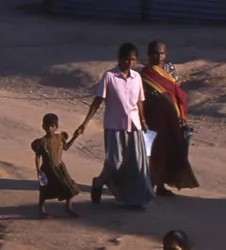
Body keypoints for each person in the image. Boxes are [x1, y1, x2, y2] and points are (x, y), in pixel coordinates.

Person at [74, 42, 154, 208]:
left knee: (136, 163)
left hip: (134, 126)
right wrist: (84, 123)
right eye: (126, 59)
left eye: (133, 60)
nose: (129, 63)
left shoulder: (137, 77)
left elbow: (139, 101)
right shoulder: (109, 76)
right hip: (114, 126)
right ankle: (99, 182)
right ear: (119, 59)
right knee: (114, 163)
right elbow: (98, 100)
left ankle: (134, 200)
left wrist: (143, 120)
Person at [142, 41, 199, 197]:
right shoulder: (144, 74)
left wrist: (181, 115)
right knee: (153, 152)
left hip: (171, 117)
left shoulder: (170, 70)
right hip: (152, 118)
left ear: (165, 54)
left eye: (161, 53)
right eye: (155, 53)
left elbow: (176, 93)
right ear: (149, 54)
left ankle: (161, 185)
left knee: (170, 151)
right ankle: (152, 184)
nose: (158, 56)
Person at [31, 113, 81, 218]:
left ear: (56, 127)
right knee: (44, 189)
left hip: (60, 167)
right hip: (47, 169)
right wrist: (38, 170)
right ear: (43, 126)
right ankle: (41, 210)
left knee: (69, 185)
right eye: (47, 126)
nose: (50, 128)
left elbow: (66, 147)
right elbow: (37, 156)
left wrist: (75, 137)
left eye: (52, 126)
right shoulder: (41, 142)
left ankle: (69, 207)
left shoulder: (60, 138)